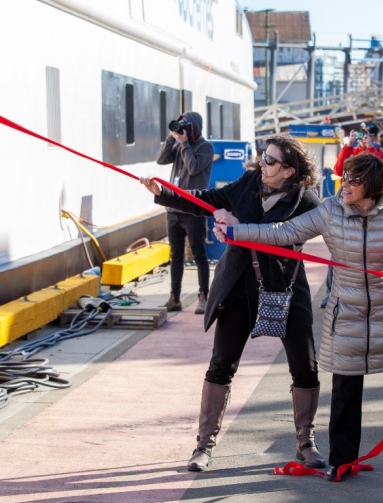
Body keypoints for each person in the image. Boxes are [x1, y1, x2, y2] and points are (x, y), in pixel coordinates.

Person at [214, 154, 383, 481]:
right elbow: (283, 232)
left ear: (372, 187)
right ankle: (342, 460)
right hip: (346, 313)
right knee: (346, 391)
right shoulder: (330, 210)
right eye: (345, 177)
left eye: (354, 180)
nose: (345, 184)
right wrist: (238, 232)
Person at [140, 135, 326, 472]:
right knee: (221, 364)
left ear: (289, 171)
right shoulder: (250, 181)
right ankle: (204, 445)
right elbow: (208, 199)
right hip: (239, 283)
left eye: (270, 160)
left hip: (284, 286)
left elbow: (281, 233)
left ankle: (306, 442)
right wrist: (163, 192)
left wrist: (241, 227)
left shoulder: (307, 202)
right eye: (262, 157)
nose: (261, 164)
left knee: (305, 366)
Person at [321, 122, 383, 309]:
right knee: (338, 253)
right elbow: (338, 170)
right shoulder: (353, 151)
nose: (364, 138)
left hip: (371, 212)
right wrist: (349, 146)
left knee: (369, 256)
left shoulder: (380, 154)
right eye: (362, 134)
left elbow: (379, 174)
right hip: (347, 210)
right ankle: (331, 294)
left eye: (368, 134)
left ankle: (367, 296)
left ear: (375, 137)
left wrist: (370, 150)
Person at [156, 111, 214, 315]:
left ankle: (203, 297)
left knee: (199, 254)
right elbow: (161, 160)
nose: (182, 131)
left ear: (194, 127)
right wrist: (170, 138)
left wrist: (184, 144)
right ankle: (174, 298)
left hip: (193, 211)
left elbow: (194, 168)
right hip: (173, 209)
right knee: (176, 255)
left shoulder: (205, 147)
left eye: (184, 127)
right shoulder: (180, 144)